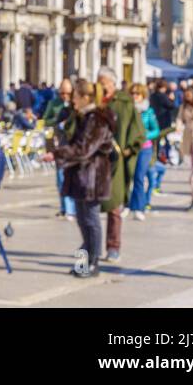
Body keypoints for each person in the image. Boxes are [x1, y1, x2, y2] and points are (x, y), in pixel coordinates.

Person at [51, 78, 116, 278]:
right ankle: (81, 263)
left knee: (91, 221)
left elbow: (85, 149)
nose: (72, 101)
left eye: (75, 97)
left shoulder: (97, 119)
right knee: (82, 221)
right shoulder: (82, 117)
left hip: (92, 176)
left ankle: (93, 264)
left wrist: (57, 153)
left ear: (85, 97)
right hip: (81, 175)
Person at [100, 67, 142, 263]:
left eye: (104, 82)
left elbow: (137, 130)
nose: (101, 86)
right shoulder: (95, 102)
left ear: (112, 83)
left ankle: (113, 246)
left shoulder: (124, 103)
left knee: (114, 205)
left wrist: (127, 150)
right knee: (88, 208)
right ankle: (90, 246)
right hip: (96, 159)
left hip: (115, 160)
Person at [44, 78, 76, 219]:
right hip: (59, 142)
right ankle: (64, 207)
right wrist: (57, 121)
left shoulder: (75, 104)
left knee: (71, 177)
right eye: (62, 93)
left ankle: (71, 209)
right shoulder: (54, 103)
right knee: (60, 178)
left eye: (67, 93)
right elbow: (46, 119)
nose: (65, 96)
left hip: (73, 144)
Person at [128, 84, 161, 220]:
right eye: (133, 93)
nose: (135, 96)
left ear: (143, 96)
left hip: (144, 148)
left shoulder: (148, 111)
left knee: (139, 177)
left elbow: (156, 130)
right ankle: (128, 205)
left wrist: (144, 135)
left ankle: (139, 207)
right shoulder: (128, 110)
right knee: (128, 177)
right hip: (130, 148)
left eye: (137, 94)